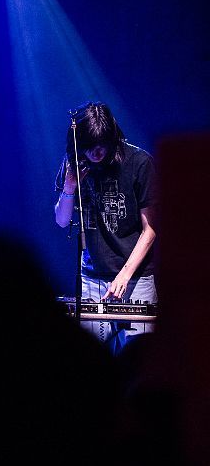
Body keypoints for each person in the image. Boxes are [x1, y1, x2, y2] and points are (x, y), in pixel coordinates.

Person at [54, 101, 157, 353]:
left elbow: (151, 229)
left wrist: (124, 275)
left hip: (135, 279)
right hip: (92, 278)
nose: (97, 152)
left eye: (102, 145)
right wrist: (69, 187)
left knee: (139, 358)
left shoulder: (139, 162)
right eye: (90, 146)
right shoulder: (74, 164)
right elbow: (62, 220)